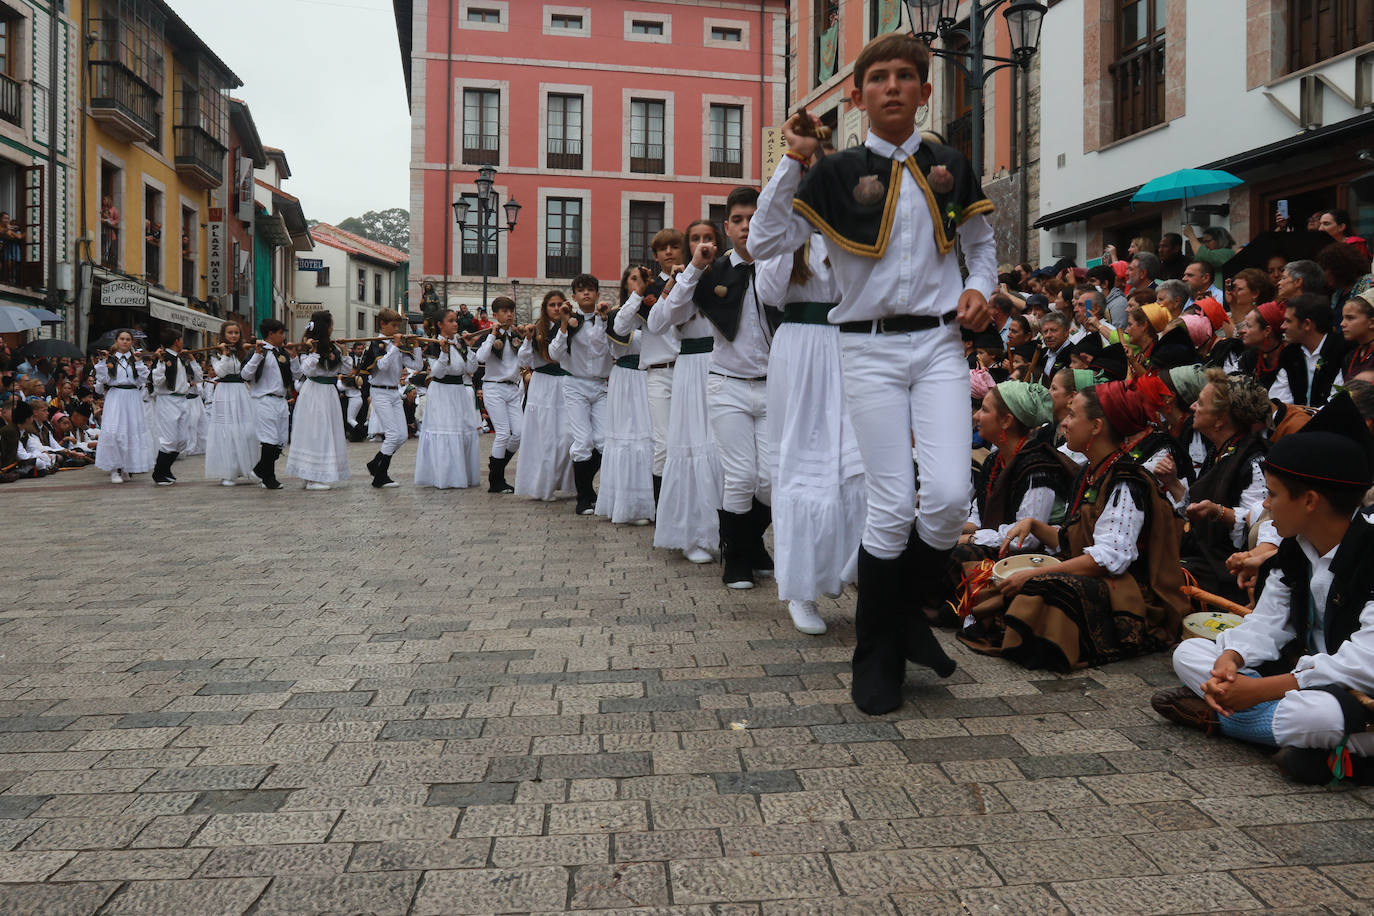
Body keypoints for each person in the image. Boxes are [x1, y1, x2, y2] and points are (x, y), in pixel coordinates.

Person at [766, 32, 998, 712]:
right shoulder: (834, 175)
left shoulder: (951, 163)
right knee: (893, 504)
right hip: (865, 349)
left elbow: (980, 245)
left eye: (906, 77)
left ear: (926, 92)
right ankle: (878, 654)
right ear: (856, 96)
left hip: (937, 346)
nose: (892, 86)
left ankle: (897, 619)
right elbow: (766, 242)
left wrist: (979, 288)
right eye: (879, 78)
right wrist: (792, 162)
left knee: (952, 495)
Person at [1153, 393, 1374, 785]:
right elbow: (1269, 621)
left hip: (1356, 693)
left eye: (1272, 494)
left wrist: (1261, 691)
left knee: (1316, 717)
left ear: (1309, 501)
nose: (1266, 506)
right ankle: (1289, 738)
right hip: (1302, 679)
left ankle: (1223, 719)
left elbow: (1364, 664)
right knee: (1189, 653)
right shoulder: (1296, 549)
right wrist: (1232, 660)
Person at [968, 380, 1188, 670]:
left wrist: (1041, 572)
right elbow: (1073, 539)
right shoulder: (1092, 471)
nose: (1065, 424)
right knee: (1004, 574)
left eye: (1073, 416)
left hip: (1127, 591)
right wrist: (1034, 525)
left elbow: (1109, 559)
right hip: (1096, 574)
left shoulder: (1125, 480)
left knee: (1042, 586)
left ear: (1096, 427)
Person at [751, 193, 865, 633]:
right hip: (799, 350)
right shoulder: (786, 241)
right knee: (801, 466)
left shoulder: (848, 235)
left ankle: (844, 566)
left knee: (854, 464)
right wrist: (792, 229)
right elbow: (769, 292)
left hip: (846, 349)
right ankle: (800, 590)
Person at [656, 187, 778, 589]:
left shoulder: (780, 267)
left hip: (775, 388)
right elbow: (664, 318)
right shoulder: (712, 271)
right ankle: (737, 557)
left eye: (754, 218)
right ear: (727, 227)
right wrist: (692, 268)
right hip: (727, 386)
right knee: (741, 476)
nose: (747, 227)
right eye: (738, 220)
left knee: (772, 479)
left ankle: (751, 541)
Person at [648, 220, 724, 566]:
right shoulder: (680, 281)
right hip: (691, 368)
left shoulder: (728, 273)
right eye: (695, 240)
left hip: (725, 362)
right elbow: (657, 322)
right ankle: (695, 533)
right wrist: (686, 276)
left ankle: (729, 532)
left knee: (724, 449)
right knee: (693, 447)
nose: (702, 245)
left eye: (708, 239)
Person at [1179, 371, 1274, 604]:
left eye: (1200, 403)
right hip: (1205, 556)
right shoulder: (1221, 450)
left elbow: (1260, 522)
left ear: (1220, 419)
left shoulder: (1253, 461)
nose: (1192, 407)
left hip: (1230, 570)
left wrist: (1217, 511)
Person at [549, 273, 612, 515]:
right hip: (574, 384)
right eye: (581, 290)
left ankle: (598, 492)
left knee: (605, 441)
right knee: (583, 441)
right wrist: (564, 324)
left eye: (590, 289)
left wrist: (604, 321)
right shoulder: (568, 321)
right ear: (574, 296)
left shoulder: (605, 318)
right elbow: (555, 354)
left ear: (597, 294)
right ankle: (583, 497)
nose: (586, 293)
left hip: (600, 385)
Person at [598, 266, 657, 526]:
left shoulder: (655, 313)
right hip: (625, 381)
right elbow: (620, 332)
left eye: (643, 279)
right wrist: (636, 298)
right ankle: (628, 505)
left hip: (649, 378)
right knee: (628, 439)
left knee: (652, 436)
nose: (639, 283)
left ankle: (651, 503)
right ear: (625, 285)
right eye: (633, 279)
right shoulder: (615, 315)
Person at [515, 291, 576, 501]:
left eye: (560, 304)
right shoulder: (538, 329)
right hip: (543, 387)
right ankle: (543, 485)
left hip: (566, 384)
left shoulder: (572, 326)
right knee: (545, 439)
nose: (557, 308)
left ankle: (562, 481)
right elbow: (523, 360)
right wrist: (528, 338)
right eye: (552, 305)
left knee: (567, 437)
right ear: (545, 307)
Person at [414, 308, 481, 489]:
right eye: (450, 321)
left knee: (463, 429)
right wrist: (444, 353)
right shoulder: (434, 344)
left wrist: (469, 347)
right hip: (441, 391)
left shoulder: (459, 343)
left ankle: (462, 474)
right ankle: (444, 476)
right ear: (440, 325)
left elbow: (472, 368)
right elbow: (437, 373)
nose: (455, 324)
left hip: (458, 391)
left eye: (456, 320)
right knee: (445, 430)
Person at [285, 311, 349, 490]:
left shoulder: (331, 347)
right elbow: (305, 370)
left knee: (327, 430)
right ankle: (311, 477)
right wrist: (312, 352)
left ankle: (315, 473)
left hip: (329, 392)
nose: (332, 328)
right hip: (314, 392)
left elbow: (345, 369)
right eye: (330, 324)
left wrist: (344, 351)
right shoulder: (308, 346)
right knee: (315, 431)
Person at [360, 308, 423, 488]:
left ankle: (375, 463)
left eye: (398, 326)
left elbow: (416, 365)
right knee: (393, 434)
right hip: (379, 392)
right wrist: (394, 346)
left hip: (394, 392)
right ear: (382, 324)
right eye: (394, 326)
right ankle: (380, 476)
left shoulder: (398, 345)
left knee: (402, 435)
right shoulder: (377, 343)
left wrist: (416, 346)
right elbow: (382, 365)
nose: (397, 329)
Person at [242, 318, 297, 490]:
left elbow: (296, 375)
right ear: (271, 334)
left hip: (280, 400)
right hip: (263, 399)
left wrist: (294, 357)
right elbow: (245, 375)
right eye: (281, 333)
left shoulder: (283, 353)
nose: (283, 337)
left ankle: (260, 471)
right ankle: (268, 476)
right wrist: (257, 355)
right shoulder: (257, 352)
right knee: (269, 440)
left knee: (280, 441)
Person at [92, 329, 153, 484]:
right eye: (122, 339)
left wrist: (139, 362)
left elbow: (142, 380)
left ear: (132, 342)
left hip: (132, 397)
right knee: (115, 432)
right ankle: (114, 468)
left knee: (131, 430)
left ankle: (127, 467)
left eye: (128, 339)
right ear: (116, 341)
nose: (125, 342)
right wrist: (102, 362)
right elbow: (103, 378)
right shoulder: (110, 358)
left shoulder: (135, 359)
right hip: (116, 396)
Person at [476, 296, 524, 493]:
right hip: (494, 387)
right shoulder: (489, 335)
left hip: (513, 387)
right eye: (504, 311)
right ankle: (496, 480)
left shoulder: (517, 335)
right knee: (503, 433)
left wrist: (525, 337)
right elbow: (481, 357)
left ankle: (497, 466)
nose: (509, 314)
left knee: (520, 433)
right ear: (495, 315)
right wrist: (492, 335)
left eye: (511, 311)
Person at [1270, 292, 1348, 407]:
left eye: (1288, 321)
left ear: (1307, 324)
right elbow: (1277, 401)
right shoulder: (1290, 354)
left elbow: (1337, 402)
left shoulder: (1342, 351)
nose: (1283, 326)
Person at [204, 320, 257, 487]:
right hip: (224, 392)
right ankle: (227, 471)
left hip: (241, 391)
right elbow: (220, 372)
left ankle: (246, 468)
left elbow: (247, 372)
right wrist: (225, 355)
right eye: (230, 333)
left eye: (236, 333)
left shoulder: (243, 351)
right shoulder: (216, 353)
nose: (234, 336)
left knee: (245, 430)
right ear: (223, 334)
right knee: (226, 430)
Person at [149, 328, 202, 486]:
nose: (183, 342)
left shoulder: (182, 359)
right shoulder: (164, 358)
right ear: (176, 341)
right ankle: (159, 473)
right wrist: (159, 362)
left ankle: (166, 469)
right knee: (169, 439)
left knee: (182, 440)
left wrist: (192, 359)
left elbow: (198, 377)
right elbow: (157, 381)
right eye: (181, 339)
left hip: (182, 400)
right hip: (168, 401)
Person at [1237, 300, 1289, 389]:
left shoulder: (1290, 359)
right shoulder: (1249, 356)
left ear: (1267, 331)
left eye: (1248, 326)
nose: (1242, 331)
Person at [1316, 239, 1373, 312]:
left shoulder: (1368, 283)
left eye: (1325, 269)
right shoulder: (1337, 294)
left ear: (1337, 268)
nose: (1323, 274)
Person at [1342, 293, 1374, 380]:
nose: (1342, 324)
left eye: (1350, 318)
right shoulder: (1350, 357)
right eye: (1343, 318)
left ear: (1372, 323)